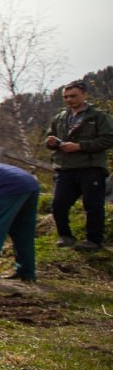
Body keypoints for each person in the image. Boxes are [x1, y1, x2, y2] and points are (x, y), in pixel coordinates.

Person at [44, 79, 113, 252]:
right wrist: (51, 142)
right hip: (65, 167)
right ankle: (65, 236)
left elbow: (108, 139)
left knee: (93, 205)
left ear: (84, 95)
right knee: (58, 204)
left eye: (73, 96)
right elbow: (50, 135)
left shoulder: (98, 116)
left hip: (91, 167)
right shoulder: (60, 117)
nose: (69, 100)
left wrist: (80, 146)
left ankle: (94, 241)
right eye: (66, 97)